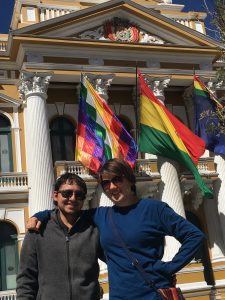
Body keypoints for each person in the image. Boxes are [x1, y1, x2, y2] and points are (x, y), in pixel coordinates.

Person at [27, 159, 204, 300]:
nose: (112, 187)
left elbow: (194, 236)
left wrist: (170, 267)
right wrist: (40, 215)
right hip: (120, 296)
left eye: (117, 179)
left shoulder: (154, 209)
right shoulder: (101, 215)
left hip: (153, 293)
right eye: (105, 183)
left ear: (130, 179)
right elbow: (67, 208)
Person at [17, 173, 103, 300]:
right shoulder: (37, 230)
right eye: (67, 193)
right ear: (55, 196)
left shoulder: (94, 229)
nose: (73, 198)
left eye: (79, 195)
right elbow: (26, 278)